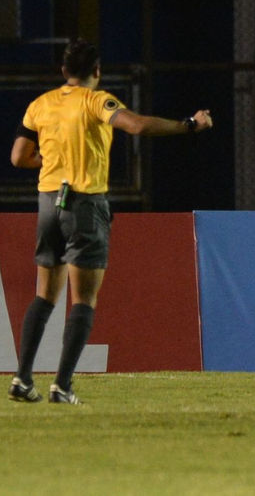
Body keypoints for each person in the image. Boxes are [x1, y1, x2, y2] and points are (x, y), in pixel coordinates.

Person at [8, 39, 213, 405]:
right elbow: (136, 126)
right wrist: (189, 125)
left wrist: (53, 160)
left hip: (47, 204)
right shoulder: (97, 100)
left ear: (63, 71)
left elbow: (18, 156)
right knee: (83, 298)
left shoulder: (40, 104)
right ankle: (62, 385)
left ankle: (22, 379)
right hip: (84, 205)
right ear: (97, 72)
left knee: (44, 295)